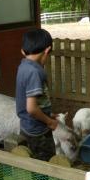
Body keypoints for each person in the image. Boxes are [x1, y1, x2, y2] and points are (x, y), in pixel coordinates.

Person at [16, 28, 58, 161]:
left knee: (30, 158)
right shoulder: (34, 72)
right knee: (45, 162)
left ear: (23, 51)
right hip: (38, 130)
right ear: (47, 51)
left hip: (27, 125)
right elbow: (32, 108)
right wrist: (49, 121)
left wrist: (47, 113)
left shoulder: (23, 66)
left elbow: (33, 101)